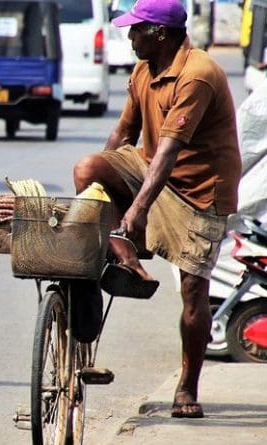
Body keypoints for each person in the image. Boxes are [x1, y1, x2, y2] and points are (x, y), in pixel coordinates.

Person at [73, 0, 241, 419]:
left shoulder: (197, 75)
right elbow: (123, 132)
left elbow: (168, 152)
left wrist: (139, 210)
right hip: (149, 170)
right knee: (88, 167)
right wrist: (99, 196)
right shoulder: (142, 68)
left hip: (199, 192)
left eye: (136, 30)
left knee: (192, 293)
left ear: (160, 34)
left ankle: (187, 385)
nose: (129, 38)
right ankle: (122, 252)